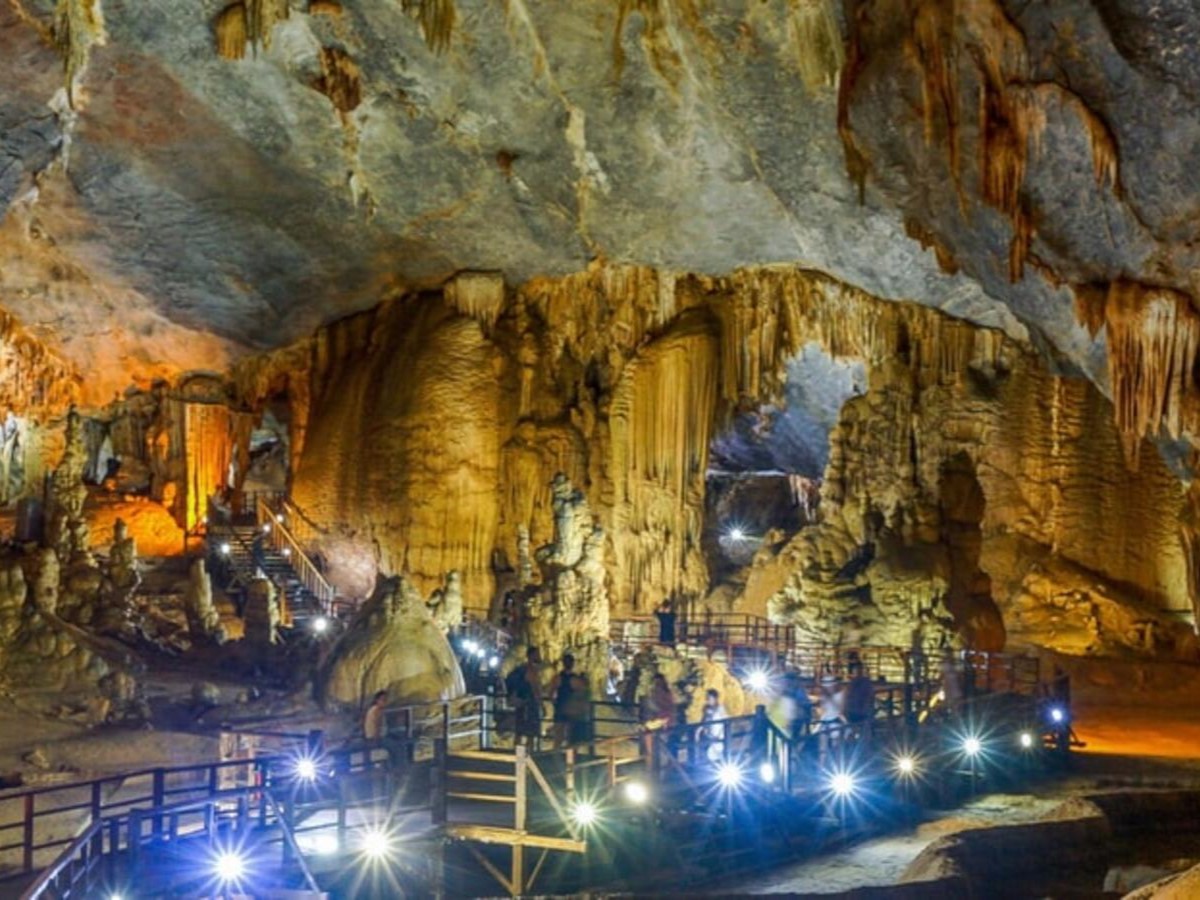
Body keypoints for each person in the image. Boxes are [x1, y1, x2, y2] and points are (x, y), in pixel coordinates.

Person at [505, 646, 544, 747]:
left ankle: (519, 759)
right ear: (532, 655)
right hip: (530, 704)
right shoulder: (531, 670)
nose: (539, 656)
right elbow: (535, 688)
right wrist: (541, 704)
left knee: (520, 733)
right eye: (537, 654)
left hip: (521, 704)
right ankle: (526, 758)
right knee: (529, 734)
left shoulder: (521, 669)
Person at [640, 672, 676, 756]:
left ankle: (649, 752)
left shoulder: (659, 691)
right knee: (647, 728)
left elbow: (663, 706)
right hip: (664, 717)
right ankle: (650, 751)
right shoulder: (664, 692)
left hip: (664, 718)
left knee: (646, 727)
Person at [552, 653, 583, 748]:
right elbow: (581, 695)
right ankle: (570, 759)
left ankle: (555, 758)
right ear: (572, 664)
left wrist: (555, 703)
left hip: (560, 707)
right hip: (571, 710)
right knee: (571, 737)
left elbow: (551, 693)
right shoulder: (575, 679)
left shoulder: (557, 678)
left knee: (558, 736)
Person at [844, 661, 876, 740]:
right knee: (859, 731)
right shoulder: (854, 683)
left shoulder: (861, 683)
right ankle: (859, 747)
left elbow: (869, 696)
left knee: (861, 731)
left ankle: (858, 747)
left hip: (859, 711)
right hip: (856, 711)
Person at [698, 688, 728, 763]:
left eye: (709, 698)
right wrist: (698, 731)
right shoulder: (706, 709)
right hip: (707, 736)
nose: (707, 700)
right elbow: (703, 721)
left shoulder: (720, 709)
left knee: (715, 755)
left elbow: (726, 721)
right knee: (705, 755)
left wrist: (719, 734)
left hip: (717, 736)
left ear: (715, 698)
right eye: (707, 698)